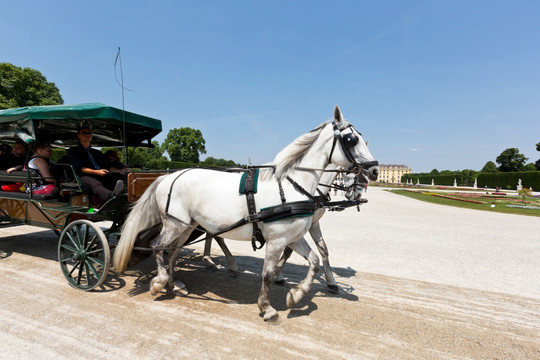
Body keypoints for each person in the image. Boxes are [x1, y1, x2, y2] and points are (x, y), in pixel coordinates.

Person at [67, 126, 125, 201]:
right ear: (78, 135)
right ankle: (111, 196)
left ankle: (126, 196)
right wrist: (97, 172)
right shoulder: (73, 151)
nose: (87, 135)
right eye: (84, 133)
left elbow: (108, 167)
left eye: (89, 133)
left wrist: (120, 171)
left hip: (100, 174)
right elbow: (82, 169)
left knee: (118, 177)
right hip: (82, 177)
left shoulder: (97, 153)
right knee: (94, 182)